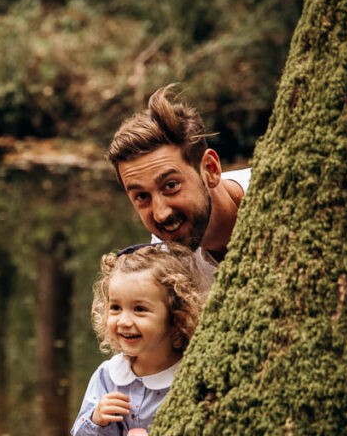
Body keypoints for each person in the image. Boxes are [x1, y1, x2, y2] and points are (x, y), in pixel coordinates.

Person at [70, 245, 206, 436]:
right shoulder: (109, 376)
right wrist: (97, 419)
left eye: (140, 309)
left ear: (176, 317)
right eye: (115, 307)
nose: (124, 320)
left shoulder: (191, 377)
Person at [107, 84, 251, 286]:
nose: (161, 214)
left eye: (171, 185)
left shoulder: (283, 194)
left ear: (211, 169)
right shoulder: (165, 260)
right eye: (141, 196)